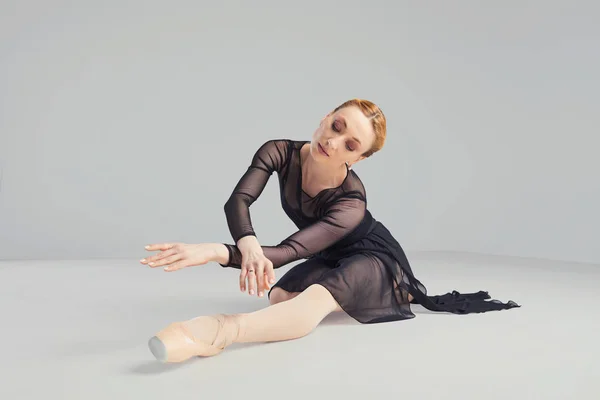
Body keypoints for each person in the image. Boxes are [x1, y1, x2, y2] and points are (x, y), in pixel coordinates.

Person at [140, 99, 520, 363]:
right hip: (330, 253)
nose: (332, 142)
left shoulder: (352, 202)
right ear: (325, 116)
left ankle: (209, 334)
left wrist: (215, 251)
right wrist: (249, 244)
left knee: (314, 302)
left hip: (374, 257)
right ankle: (335, 293)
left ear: (359, 159)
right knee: (281, 297)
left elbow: (291, 250)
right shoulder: (279, 151)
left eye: (349, 144)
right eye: (335, 126)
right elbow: (238, 201)